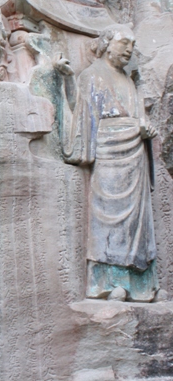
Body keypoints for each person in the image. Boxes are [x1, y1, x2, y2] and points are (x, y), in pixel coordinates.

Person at [59, 25, 160, 302]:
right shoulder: (91, 76)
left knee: (139, 223)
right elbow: (81, 113)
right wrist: (67, 79)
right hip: (109, 154)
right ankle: (108, 281)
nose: (129, 50)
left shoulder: (129, 81)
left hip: (135, 157)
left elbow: (140, 117)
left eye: (132, 45)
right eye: (124, 43)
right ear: (106, 43)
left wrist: (145, 127)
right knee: (108, 221)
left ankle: (141, 283)